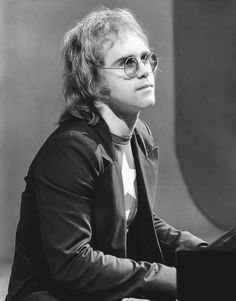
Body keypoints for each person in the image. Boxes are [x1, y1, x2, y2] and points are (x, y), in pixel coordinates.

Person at [5, 6, 207, 301]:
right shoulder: (71, 150)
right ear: (93, 81)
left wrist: (210, 257)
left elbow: (140, 225)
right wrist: (178, 281)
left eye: (147, 58)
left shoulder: (140, 137)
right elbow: (73, 263)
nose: (144, 70)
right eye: (127, 63)